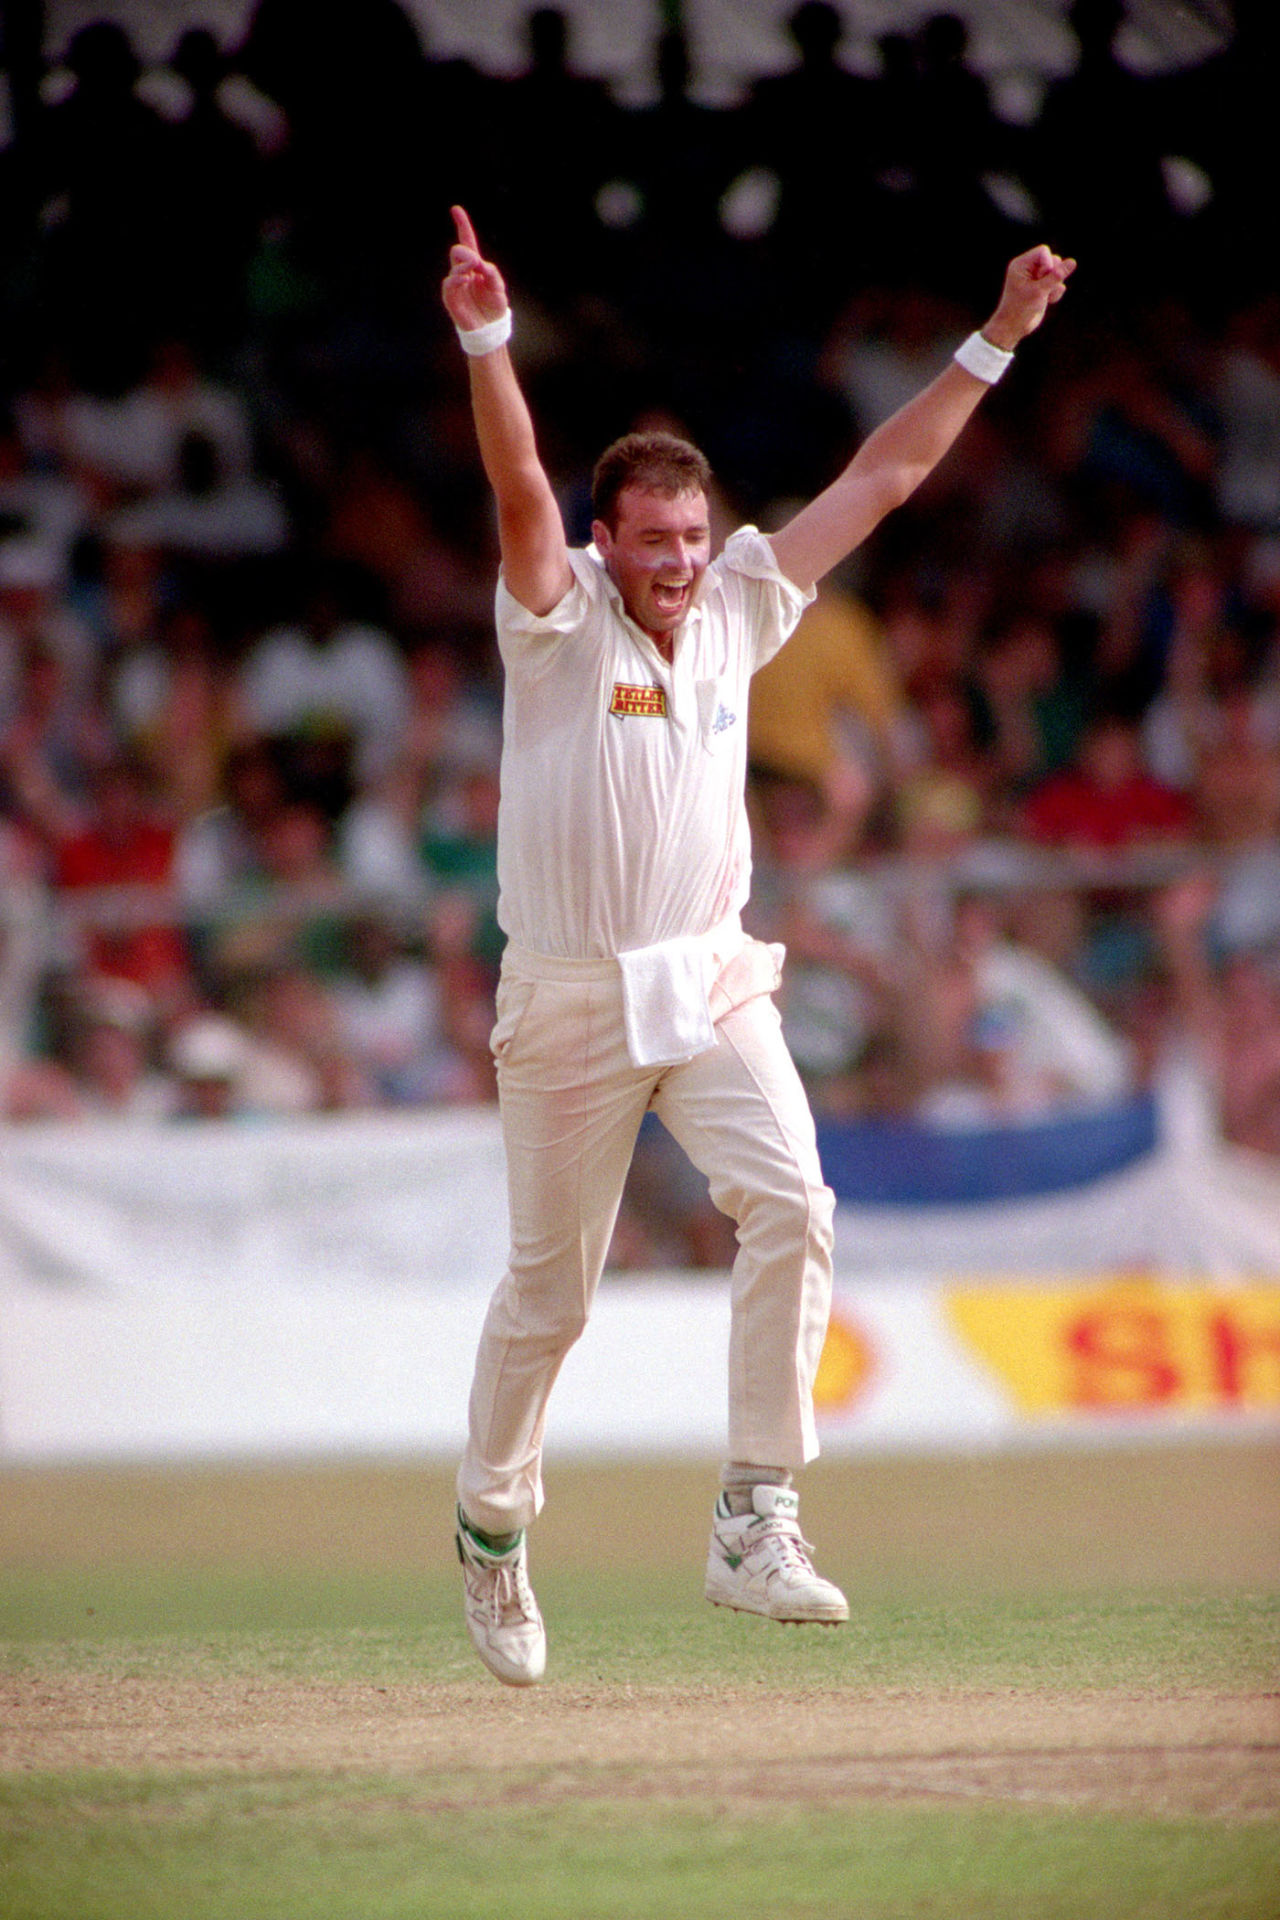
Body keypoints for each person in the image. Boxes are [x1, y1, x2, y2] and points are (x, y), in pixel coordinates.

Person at [441, 204, 1073, 1686]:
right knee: (554, 1295)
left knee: (796, 1197)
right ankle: (490, 1529)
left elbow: (890, 473)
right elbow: (520, 484)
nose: (675, 561)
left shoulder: (744, 599)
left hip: (711, 970)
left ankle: (755, 1514)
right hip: (571, 997)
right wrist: (487, 337)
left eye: (690, 537)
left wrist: (1000, 336)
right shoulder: (555, 614)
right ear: (610, 544)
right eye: (650, 540)